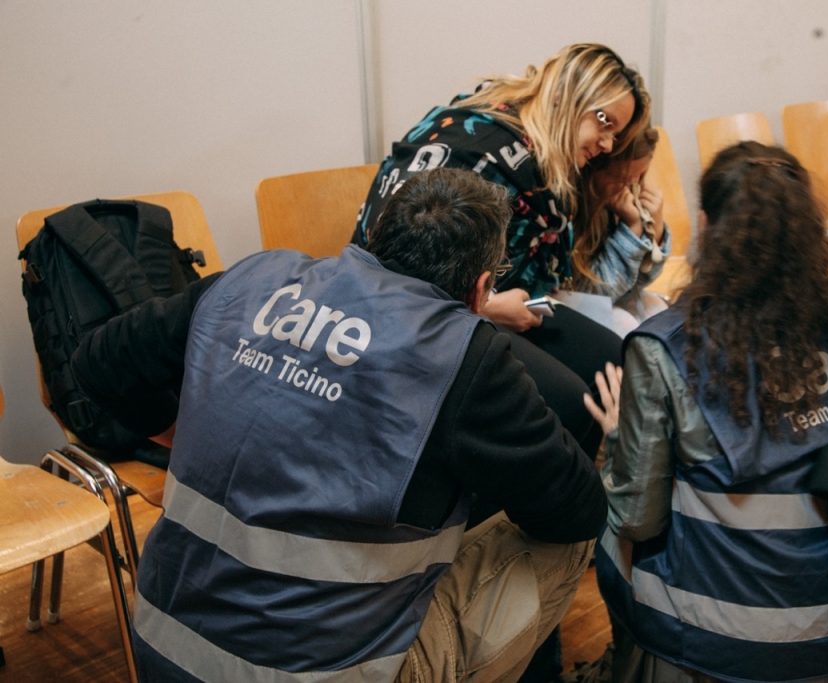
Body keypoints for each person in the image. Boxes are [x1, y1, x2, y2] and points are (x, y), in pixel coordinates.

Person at [71, 168, 607, 682]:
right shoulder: (466, 356)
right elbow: (577, 509)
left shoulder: (253, 277)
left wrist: (171, 430)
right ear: (481, 290)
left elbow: (95, 364)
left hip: (163, 646)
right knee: (567, 542)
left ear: (374, 239)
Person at [583, 142, 828, 682]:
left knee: (608, 527)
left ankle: (629, 668)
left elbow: (638, 520)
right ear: (807, 228)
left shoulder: (665, 347)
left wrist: (619, 438)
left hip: (718, 641)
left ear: (708, 226)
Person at [355, 43, 651, 460]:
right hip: (417, 313)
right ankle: (553, 513)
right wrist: (490, 307)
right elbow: (403, 283)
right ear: (569, 95)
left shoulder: (543, 164)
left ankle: (572, 498)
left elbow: (542, 277)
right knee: (574, 403)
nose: (607, 143)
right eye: (605, 123)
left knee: (615, 358)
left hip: (500, 297)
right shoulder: (479, 148)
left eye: (616, 134)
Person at [571, 126, 670, 333]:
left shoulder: (619, 202)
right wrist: (632, 231)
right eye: (621, 178)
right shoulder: (575, 211)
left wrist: (655, 231)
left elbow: (637, 283)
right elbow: (593, 296)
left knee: (659, 312)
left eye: (640, 176)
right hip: (581, 307)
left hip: (611, 298)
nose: (630, 186)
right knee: (625, 325)